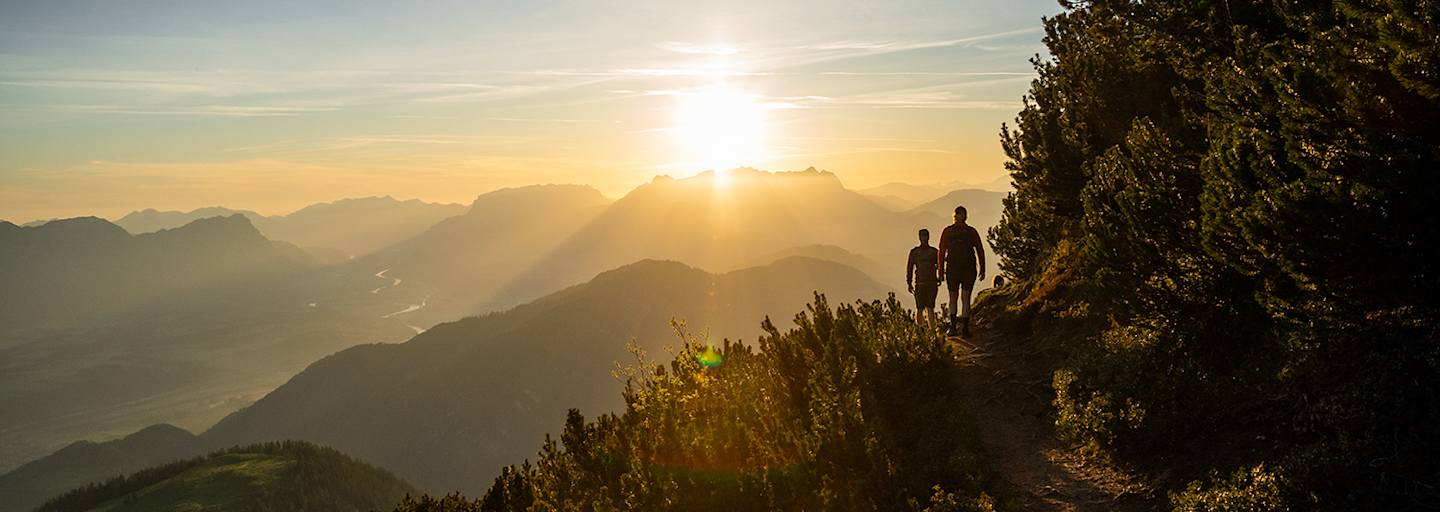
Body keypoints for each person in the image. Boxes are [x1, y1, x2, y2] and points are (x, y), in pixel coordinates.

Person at [937, 205, 985, 336]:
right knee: (965, 298)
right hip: (968, 269)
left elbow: (941, 252)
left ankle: (953, 327)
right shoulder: (971, 232)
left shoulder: (948, 231)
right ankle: (964, 328)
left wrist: (940, 271)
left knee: (953, 297)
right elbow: (979, 250)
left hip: (952, 269)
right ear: (965, 216)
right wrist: (982, 268)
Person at [906, 228, 941, 327]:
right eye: (923, 236)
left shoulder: (917, 252)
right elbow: (909, 268)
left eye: (925, 236)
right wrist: (909, 282)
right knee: (922, 308)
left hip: (926, 283)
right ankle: (927, 331)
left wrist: (909, 282)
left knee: (927, 307)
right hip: (924, 283)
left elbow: (910, 268)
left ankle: (926, 332)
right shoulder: (932, 252)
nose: (924, 238)